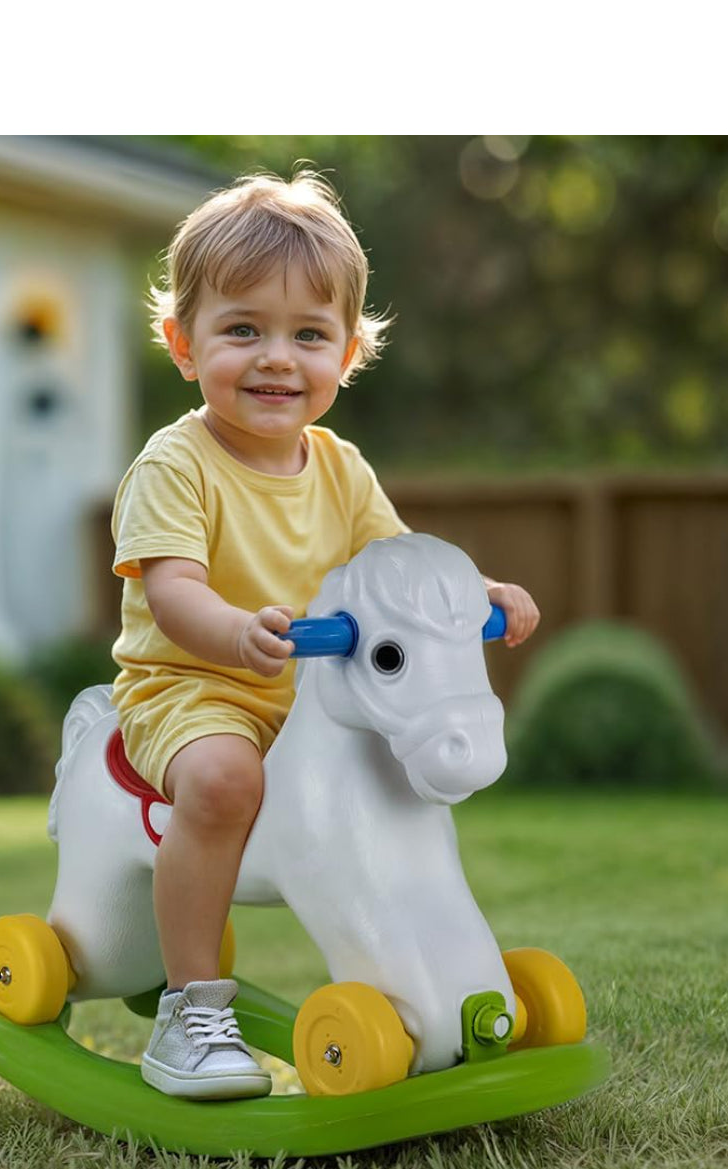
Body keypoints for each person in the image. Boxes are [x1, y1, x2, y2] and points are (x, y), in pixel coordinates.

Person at [110, 170, 540, 1100]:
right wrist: (235, 632)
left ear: (347, 354)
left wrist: (476, 593)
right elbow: (175, 591)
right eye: (242, 330)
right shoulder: (174, 465)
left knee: (401, 796)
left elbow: (401, 572)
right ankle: (191, 1008)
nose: (276, 357)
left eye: (308, 335)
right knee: (226, 780)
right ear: (185, 345)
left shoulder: (341, 468)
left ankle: (454, 978)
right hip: (194, 687)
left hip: (309, 697)